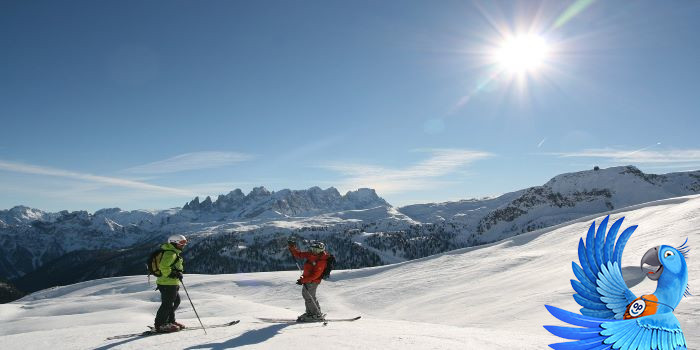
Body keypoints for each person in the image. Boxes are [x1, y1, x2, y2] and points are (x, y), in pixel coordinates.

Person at [288, 239, 329, 322]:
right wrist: (292, 248)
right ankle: (310, 313)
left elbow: (315, 275)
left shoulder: (322, 261)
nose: (313, 251)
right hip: (307, 279)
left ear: (320, 251)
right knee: (306, 295)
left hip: (313, 281)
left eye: (316, 250)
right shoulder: (311, 254)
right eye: (313, 249)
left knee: (310, 296)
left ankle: (316, 314)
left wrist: (303, 280)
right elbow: (298, 254)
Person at [154, 234, 187, 333]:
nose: (184, 245)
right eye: (182, 243)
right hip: (167, 283)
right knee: (167, 304)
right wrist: (174, 274)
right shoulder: (170, 254)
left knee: (175, 302)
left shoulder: (173, 252)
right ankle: (160, 325)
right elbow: (163, 267)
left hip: (171, 283)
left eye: (185, 242)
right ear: (174, 243)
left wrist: (177, 273)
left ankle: (170, 321)